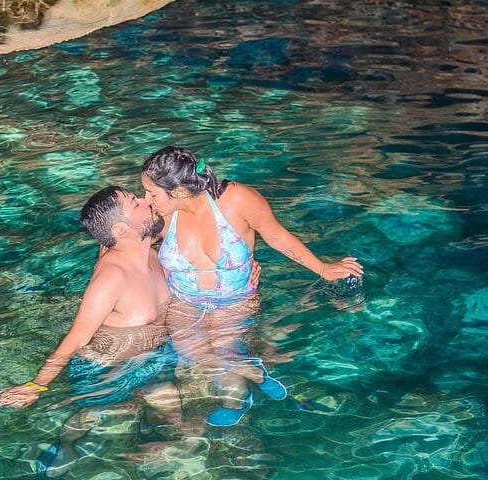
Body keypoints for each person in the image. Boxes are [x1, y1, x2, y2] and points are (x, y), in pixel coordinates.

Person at [140, 146, 364, 426]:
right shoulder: (159, 214)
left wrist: (323, 268)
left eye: (151, 193)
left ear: (180, 191)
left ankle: (234, 400)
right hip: (184, 302)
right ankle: (255, 375)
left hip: (235, 301)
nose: (146, 200)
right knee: (192, 354)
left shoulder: (237, 199)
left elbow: (276, 236)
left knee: (225, 347)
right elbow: (121, 244)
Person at [0, 186, 182, 477]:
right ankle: (66, 444)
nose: (145, 200)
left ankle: (151, 436)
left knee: (174, 414)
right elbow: (78, 337)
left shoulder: (149, 251)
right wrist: (38, 385)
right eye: (135, 202)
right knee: (97, 416)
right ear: (121, 230)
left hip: (153, 355)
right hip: (106, 368)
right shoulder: (112, 277)